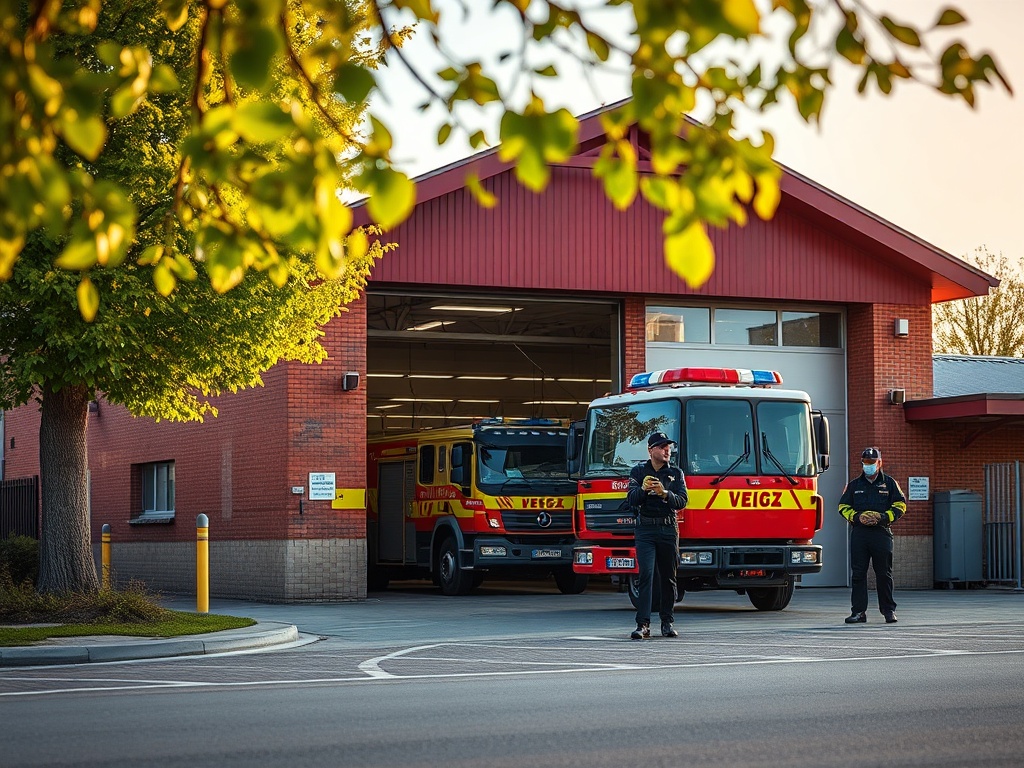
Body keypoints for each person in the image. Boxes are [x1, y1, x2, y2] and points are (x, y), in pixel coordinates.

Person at [626, 431, 688, 639]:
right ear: (651, 450)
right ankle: (642, 624)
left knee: (669, 577)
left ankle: (667, 622)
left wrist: (664, 494)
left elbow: (682, 501)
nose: (667, 450)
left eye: (668, 446)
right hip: (645, 529)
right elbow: (631, 500)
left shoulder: (676, 473)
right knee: (646, 575)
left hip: (668, 528)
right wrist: (643, 490)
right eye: (662, 447)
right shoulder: (638, 471)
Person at [838, 447, 907, 624]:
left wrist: (883, 517)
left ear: (879, 463)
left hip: (881, 533)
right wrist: (856, 517)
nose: (868, 466)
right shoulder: (854, 485)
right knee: (858, 574)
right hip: (860, 534)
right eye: (865, 462)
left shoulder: (890, 483)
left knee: (884, 573)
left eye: (871, 462)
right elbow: (842, 507)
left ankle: (888, 611)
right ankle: (858, 612)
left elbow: (900, 505)